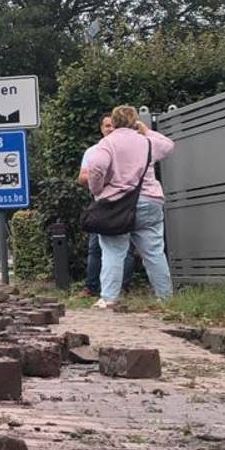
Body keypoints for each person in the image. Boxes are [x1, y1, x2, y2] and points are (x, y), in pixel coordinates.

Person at [84, 106, 174, 309]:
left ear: (113, 123)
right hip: (150, 200)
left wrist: (98, 191)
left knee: (113, 251)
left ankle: (108, 298)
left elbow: (96, 167)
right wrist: (146, 130)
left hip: (116, 205)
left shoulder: (107, 143)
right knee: (154, 252)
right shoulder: (147, 141)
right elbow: (168, 146)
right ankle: (167, 299)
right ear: (135, 122)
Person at [78, 114, 135, 297]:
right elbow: (83, 177)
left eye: (112, 125)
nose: (109, 129)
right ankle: (92, 287)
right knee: (95, 247)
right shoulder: (93, 151)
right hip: (101, 204)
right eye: (106, 126)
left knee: (125, 249)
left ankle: (121, 288)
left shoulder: (128, 149)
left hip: (125, 203)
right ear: (101, 129)